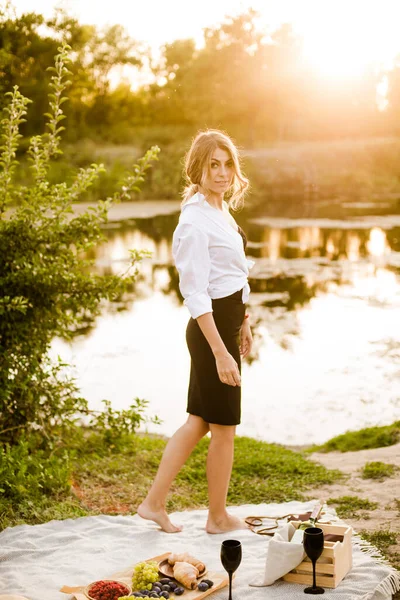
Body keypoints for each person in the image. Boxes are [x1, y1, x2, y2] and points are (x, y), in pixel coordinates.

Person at [137, 129, 254, 534]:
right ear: (198, 169)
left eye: (227, 164)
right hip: (210, 330)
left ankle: (153, 504)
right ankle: (217, 518)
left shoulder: (220, 211)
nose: (222, 173)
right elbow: (196, 292)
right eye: (213, 165)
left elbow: (234, 273)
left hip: (227, 322)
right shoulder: (194, 221)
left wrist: (246, 320)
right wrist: (221, 351)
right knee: (223, 429)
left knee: (200, 423)